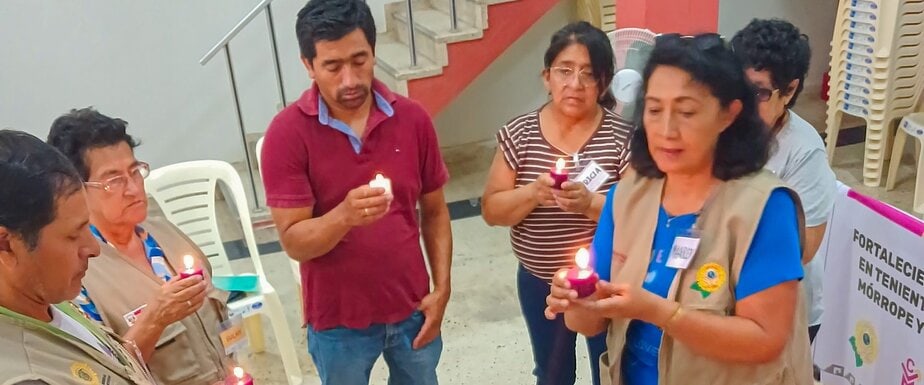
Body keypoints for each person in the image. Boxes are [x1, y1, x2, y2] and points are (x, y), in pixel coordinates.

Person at [546, 34, 814, 385]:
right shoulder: (628, 196)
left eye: (686, 112)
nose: (666, 130)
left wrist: (659, 312)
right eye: (654, 110)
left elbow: (765, 341)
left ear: (728, 114)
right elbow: (588, 323)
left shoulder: (764, 208)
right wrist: (576, 301)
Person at [260, 0, 452, 384]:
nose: (350, 80)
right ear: (308, 65)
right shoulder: (287, 135)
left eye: (359, 60)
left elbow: (434, 211)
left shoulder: (412, 119)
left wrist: (442, 288)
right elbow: (295, 242)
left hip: (412, 305)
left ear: (374, 52)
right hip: (337, 320)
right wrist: (344, 215)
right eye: (332, 66)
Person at [482, 21, 632, 385]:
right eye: (565, 71)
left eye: (588, 74)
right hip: (538, 281)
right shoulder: (519, 134)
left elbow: (637, 215)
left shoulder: (622, 138)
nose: (575, 84)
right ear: (546, 76)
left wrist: (590, 204)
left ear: (604, 81)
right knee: (552, 373)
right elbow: (491, 210)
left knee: (610, 366)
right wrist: (532, 193)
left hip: (606, 281)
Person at [47, 108, 233, 385]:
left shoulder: (165, 234)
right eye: (114, 181)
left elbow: (220, 323)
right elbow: (103, 373)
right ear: (77, 189)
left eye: (135, 171)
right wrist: (155, 320)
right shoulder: (78, 274)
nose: (134, 188)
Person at [0, 130, 153, 385]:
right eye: (73, 235)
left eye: (87, 227)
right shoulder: (26, 375)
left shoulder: (46, 297)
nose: (94, 248)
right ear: (6, 244)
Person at [731, 19, 837, 347]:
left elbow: (803, 246)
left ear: (789, 90)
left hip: (783, 307)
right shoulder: (723, 125)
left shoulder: (804, 151)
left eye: (759, 92)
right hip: (720, 295)